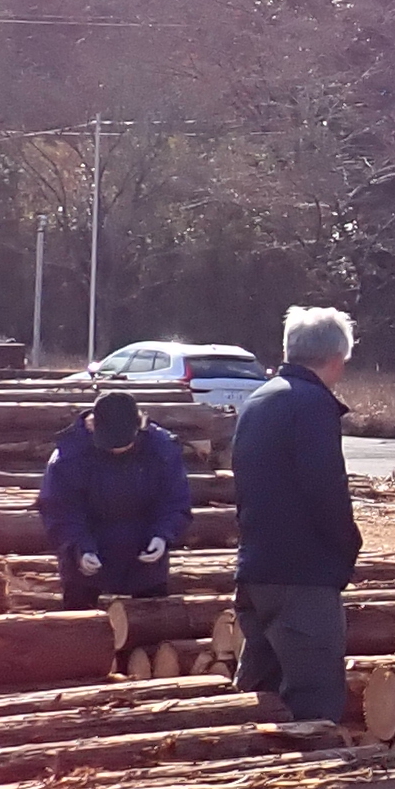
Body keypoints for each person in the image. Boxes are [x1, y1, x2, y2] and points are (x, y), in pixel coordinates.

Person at [233, 306, 365, 723]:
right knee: (315, 701)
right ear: (337, 358)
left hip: (257, 568)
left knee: (259, 694)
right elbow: (325, 489)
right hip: (302, 574)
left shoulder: (259, 399)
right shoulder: (312, 405)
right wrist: (348, 547)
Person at [37, 390, 194, 605]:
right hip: (87, 555)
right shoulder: (68, 456)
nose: (117, 450)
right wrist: (79, 547)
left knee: (152, 619)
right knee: (80, 618)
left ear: (139, 426)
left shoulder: (162, 449)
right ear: (92, 426)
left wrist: (162, 535)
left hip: (144, 555)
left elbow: (174, 501)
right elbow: (60, 509)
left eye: (124, 444)